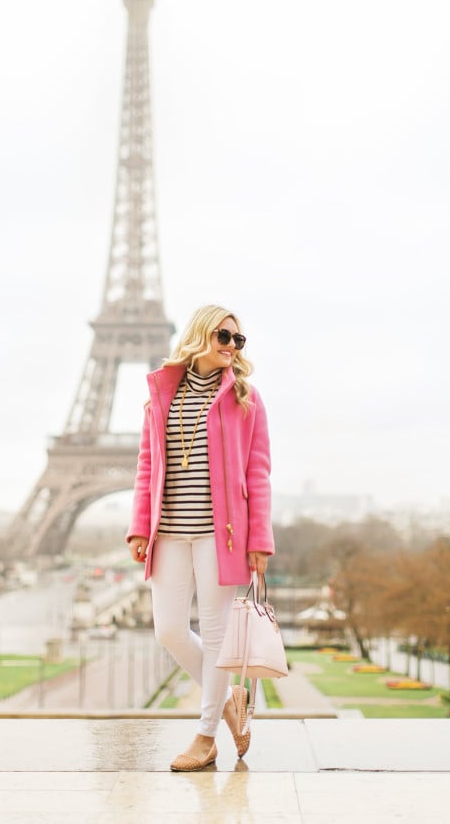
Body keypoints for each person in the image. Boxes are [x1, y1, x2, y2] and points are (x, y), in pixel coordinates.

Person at [126, 304, 274, 771]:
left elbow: (259, 472)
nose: (232, 346)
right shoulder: (161, 395)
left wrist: (259, 541)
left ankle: (206, 736)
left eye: (238, 340)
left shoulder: (246, 398)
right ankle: (229, 704)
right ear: (200, 335)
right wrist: (138, 526)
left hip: (221, 536)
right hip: (168, 533)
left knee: (215, 637)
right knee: (169, 629)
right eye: (223, 336)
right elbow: (147, 465)